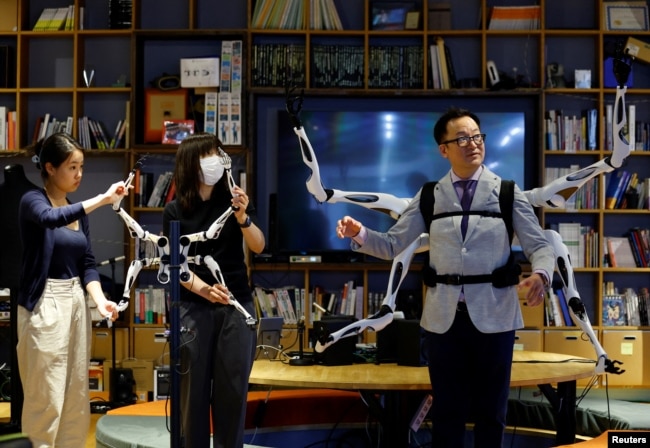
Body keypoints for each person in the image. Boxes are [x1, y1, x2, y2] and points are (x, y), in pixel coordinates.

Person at [336, 107, 554, 447]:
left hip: (495, 317)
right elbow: (393, 244)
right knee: (447, 413)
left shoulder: (509, 193)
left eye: (477, 136)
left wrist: (541, 273)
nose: (472, 144)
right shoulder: (429, 196)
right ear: (444, 149)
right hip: (442, 321)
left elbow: (539, 245)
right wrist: (360, 232)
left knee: (491, 413)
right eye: (462, 138)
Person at [17, 132, 129, 447]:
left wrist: (101, 301)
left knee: (76, 396)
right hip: (45, 303)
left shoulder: (75, 208)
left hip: (76, 301)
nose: (79, 174)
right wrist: (104, 199)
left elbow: (88, 264)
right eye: (72, 167)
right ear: (50, 168)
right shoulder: (33, 200)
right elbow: (52, 219)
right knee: (46, 396)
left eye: (81, 167)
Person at [162, 133, 265, 448]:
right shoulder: (175, 210)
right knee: (191, 398)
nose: (216, 160)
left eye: (217, 153)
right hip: (193, 308)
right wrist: (206, 290)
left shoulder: (232, 204)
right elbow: (175, 266)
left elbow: (259, 246)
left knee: (232, 394)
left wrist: (243, 217)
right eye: (208, 154)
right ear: (192, 163)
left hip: (237, 306)